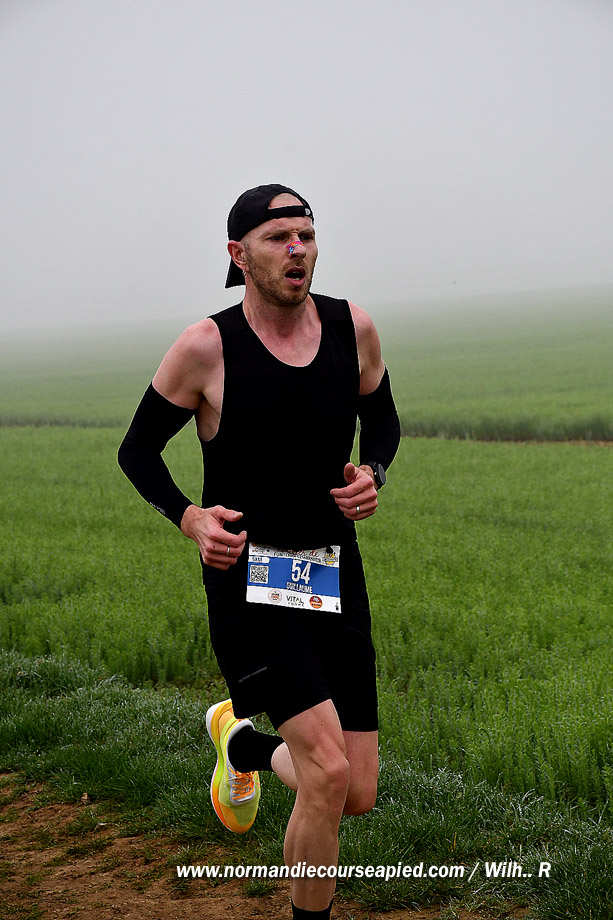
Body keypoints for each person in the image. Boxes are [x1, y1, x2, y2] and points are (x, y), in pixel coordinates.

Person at [118, 184, 401, 920]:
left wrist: (371, 473)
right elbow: (137, 450)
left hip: (332, 569)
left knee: (356, 790)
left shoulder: (353, 328)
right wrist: (190, 518)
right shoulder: (206, 347)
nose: (297, 249)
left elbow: (383, 421)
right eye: (278, 237)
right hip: (250, 573)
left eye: (306, 234)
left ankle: (243, 750)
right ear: (239, 255)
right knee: (327, 772)